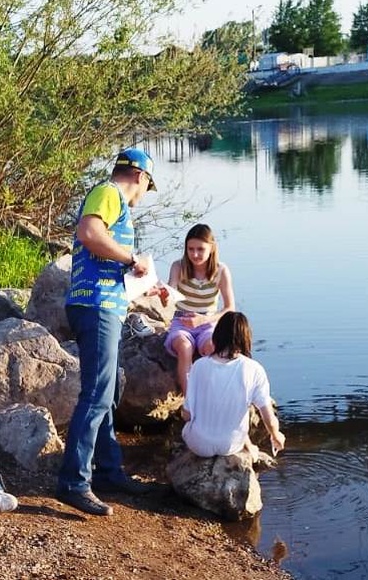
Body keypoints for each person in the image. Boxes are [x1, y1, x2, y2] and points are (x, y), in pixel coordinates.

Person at [56, 147, 156, 516]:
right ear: (141, 178)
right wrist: (131, 259)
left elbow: (102, 254)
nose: (144, 196)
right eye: (147, 187)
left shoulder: (116, 202)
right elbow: (89, 232)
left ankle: (109, 471)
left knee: (108, 390)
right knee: (97, 393)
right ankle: (73, 482)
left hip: (105, 304)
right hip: (95, 306)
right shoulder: (109, 193)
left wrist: (144, 282)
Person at [181, 311, 285, 460]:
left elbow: (187, 414)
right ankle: (247, 444)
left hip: (199, 445)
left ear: (216, 335)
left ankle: (245, 443)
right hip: (231, 444)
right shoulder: (254, 369)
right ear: (246, 338)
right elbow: (267, 415)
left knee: (187, 428)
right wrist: (276, 435)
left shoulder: (199, 366)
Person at [163, 223, 235, 395]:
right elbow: (170, 292)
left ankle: (214, 393)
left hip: (208, 322)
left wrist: (204, 319)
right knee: (184, 347)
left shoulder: (221, 271)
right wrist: (164, 296)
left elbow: (230, 308)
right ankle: (190, 399)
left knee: (212, 347)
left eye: (200, 249)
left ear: (212, 248)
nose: (195, 254)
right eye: (190, 249)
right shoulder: (179, 267)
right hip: (181, 321)